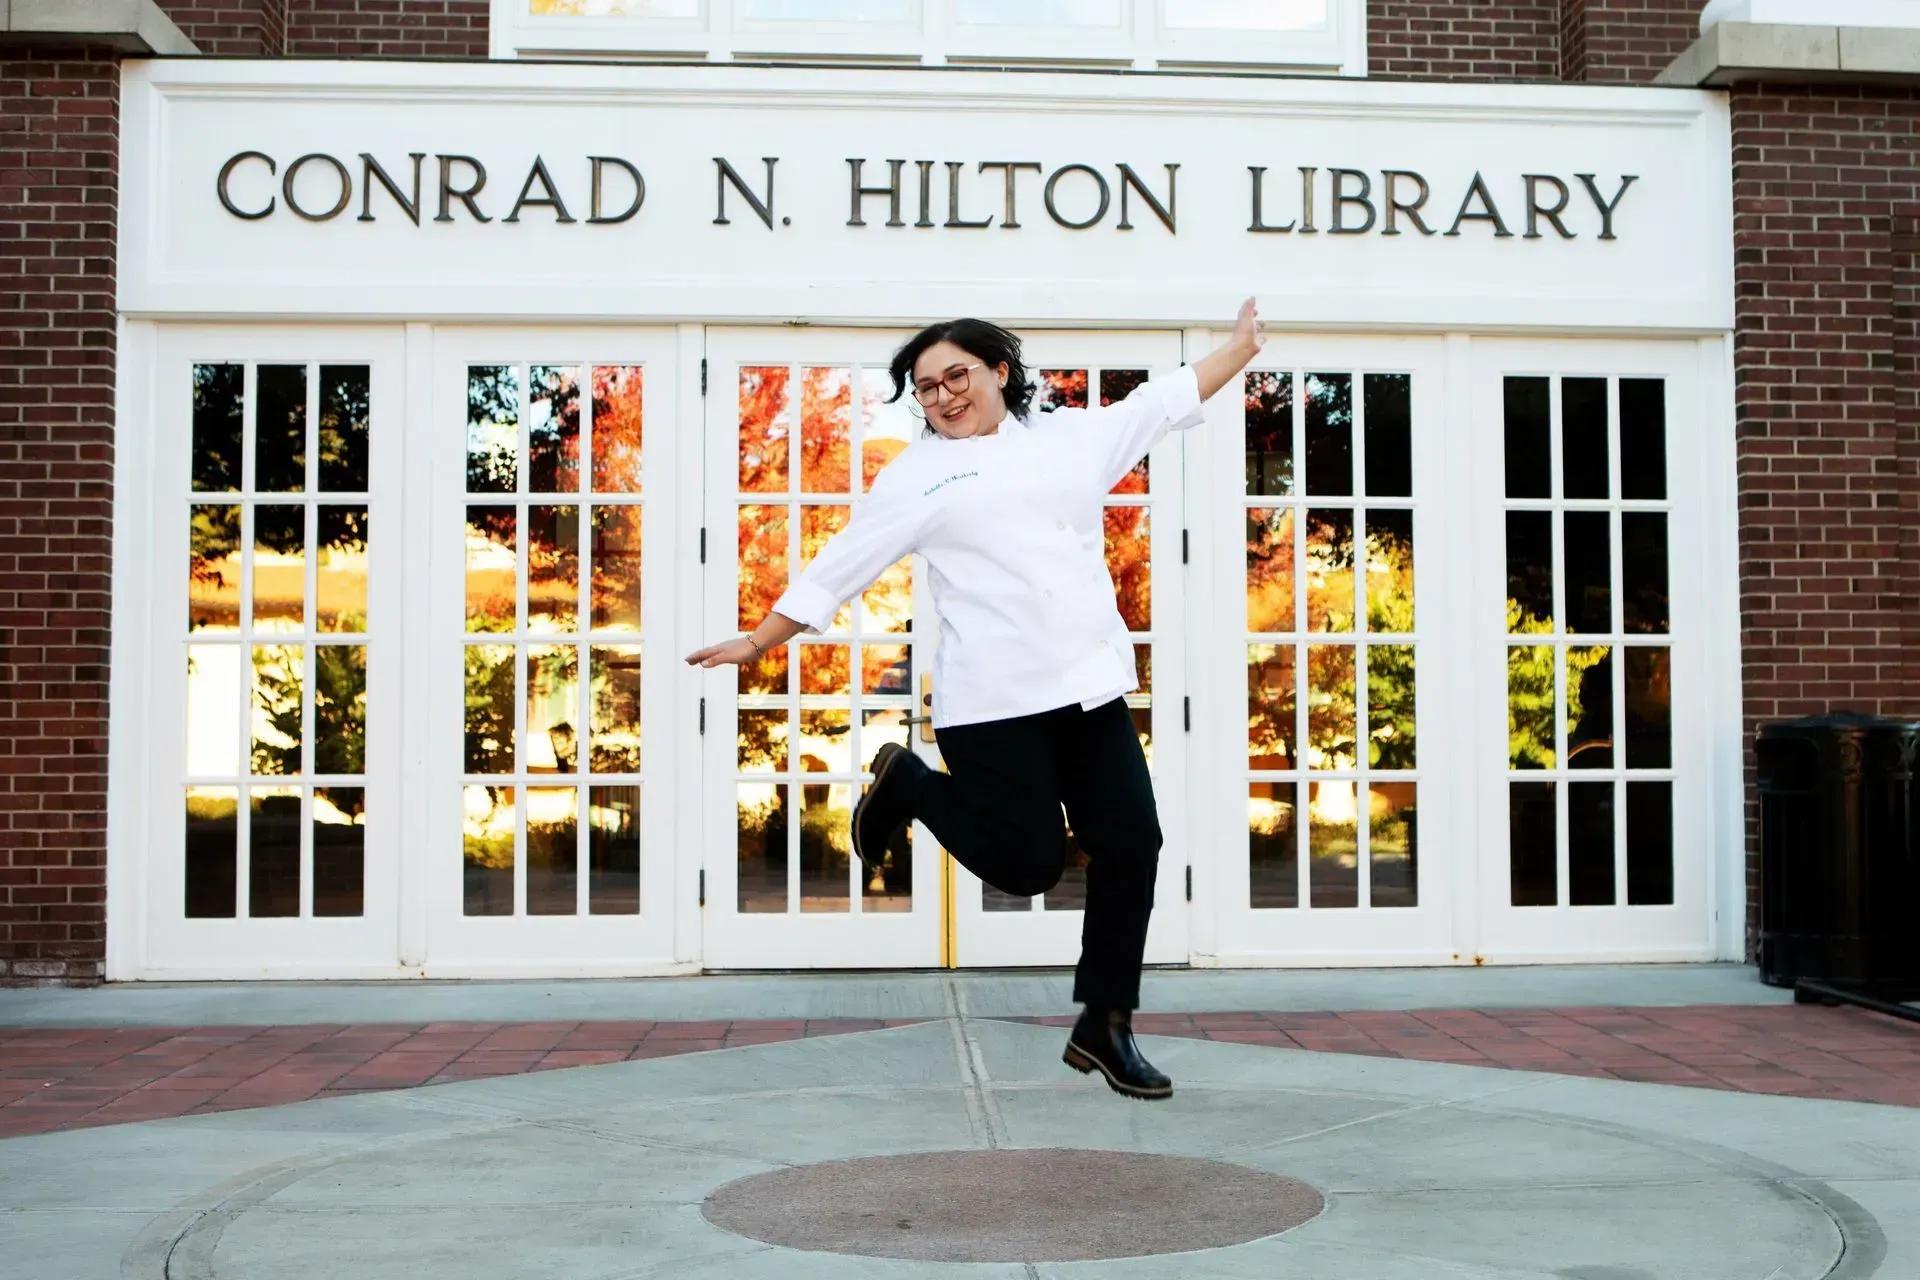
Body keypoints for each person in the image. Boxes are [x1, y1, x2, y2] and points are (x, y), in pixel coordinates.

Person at [687, 299, 1266, 1099]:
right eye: (925, 389)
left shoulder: (1071, 439)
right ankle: (913, 784)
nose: (943, 397)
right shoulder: (918, 474)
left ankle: (1106, 1024)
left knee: (1132, 843)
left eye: (955, 376)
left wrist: (1238, 349)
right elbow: (842, 563)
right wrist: (760, 640)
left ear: (999, 370)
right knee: (1027, 866)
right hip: (992, 705)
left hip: (1091, 689)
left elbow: (1161, 401)